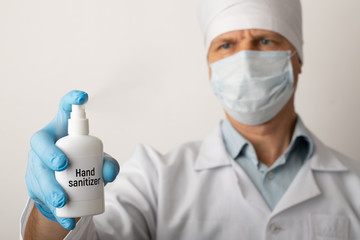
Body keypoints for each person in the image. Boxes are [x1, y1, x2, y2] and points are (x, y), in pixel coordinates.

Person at [21, 0, 360, 239]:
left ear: (296, 58)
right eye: (226, 45)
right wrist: (52, 211)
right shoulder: (155, 179)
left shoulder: (354, 185)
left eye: (265, 40)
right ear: (211, 67)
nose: (244, 60)